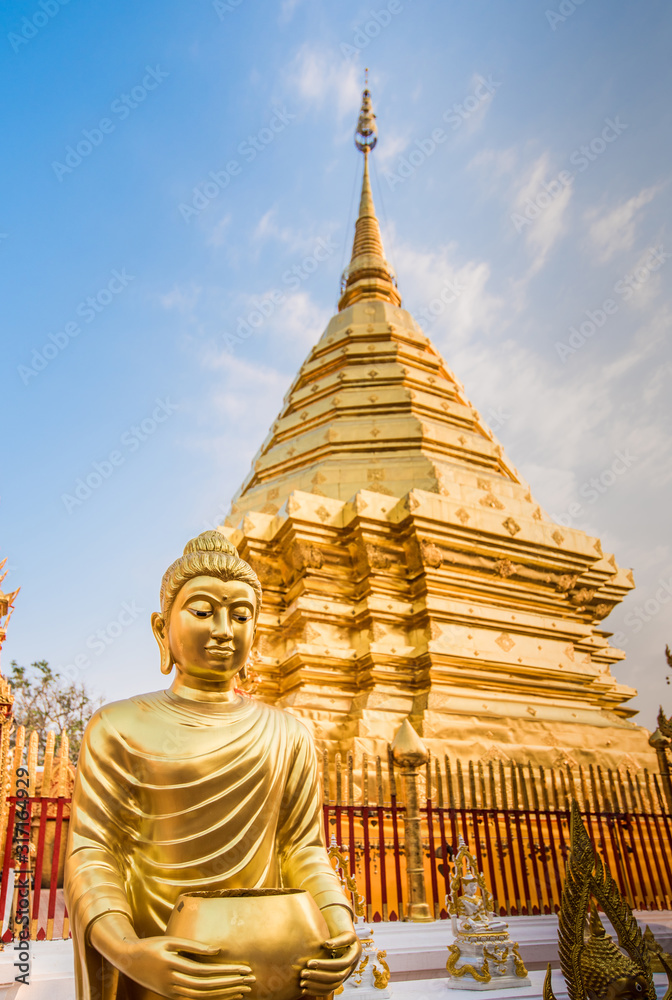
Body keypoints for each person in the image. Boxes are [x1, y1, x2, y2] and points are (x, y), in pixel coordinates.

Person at [64, 531, 360, 1000]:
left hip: (278, 963)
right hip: (163, 967)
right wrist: (129, 952)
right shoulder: (118, 726)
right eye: (203, 612)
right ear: (162, 629)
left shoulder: (288, 733)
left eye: (241, 616)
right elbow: (93, 855)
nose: (224, 629)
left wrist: (339, 925)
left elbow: (302, 849)